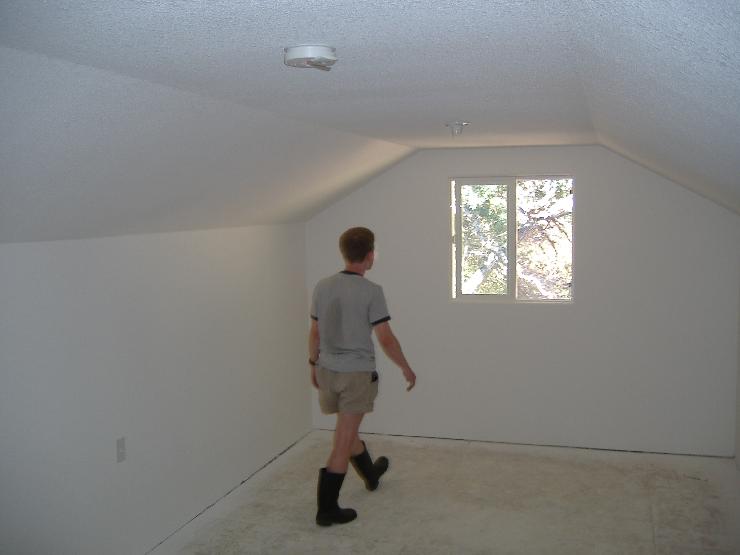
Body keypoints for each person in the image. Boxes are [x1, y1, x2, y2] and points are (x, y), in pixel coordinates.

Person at [308, 227, 416, 526]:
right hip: (355, 376)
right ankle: (327, 509)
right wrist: (405, 367)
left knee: (348, 431)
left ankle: (371, 474)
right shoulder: (371, 291)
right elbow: (386, 338)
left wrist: (313, 364)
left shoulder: (322, 286)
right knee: (343, 441)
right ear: (369, 256)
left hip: (327, 371)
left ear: (344, 253)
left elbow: (315, 333)